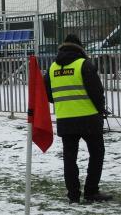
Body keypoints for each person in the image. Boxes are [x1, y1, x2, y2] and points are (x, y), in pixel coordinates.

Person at [44, 34, 112, 204]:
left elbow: (49, 95)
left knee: (69, 157)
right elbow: (96, 92)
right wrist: (101, 110)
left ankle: (73, 195)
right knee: (97, 153)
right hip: (88, 118)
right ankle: (91, 191)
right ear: (79, 47)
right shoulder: (84, 65)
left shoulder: (52, 68)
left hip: (65, 119)